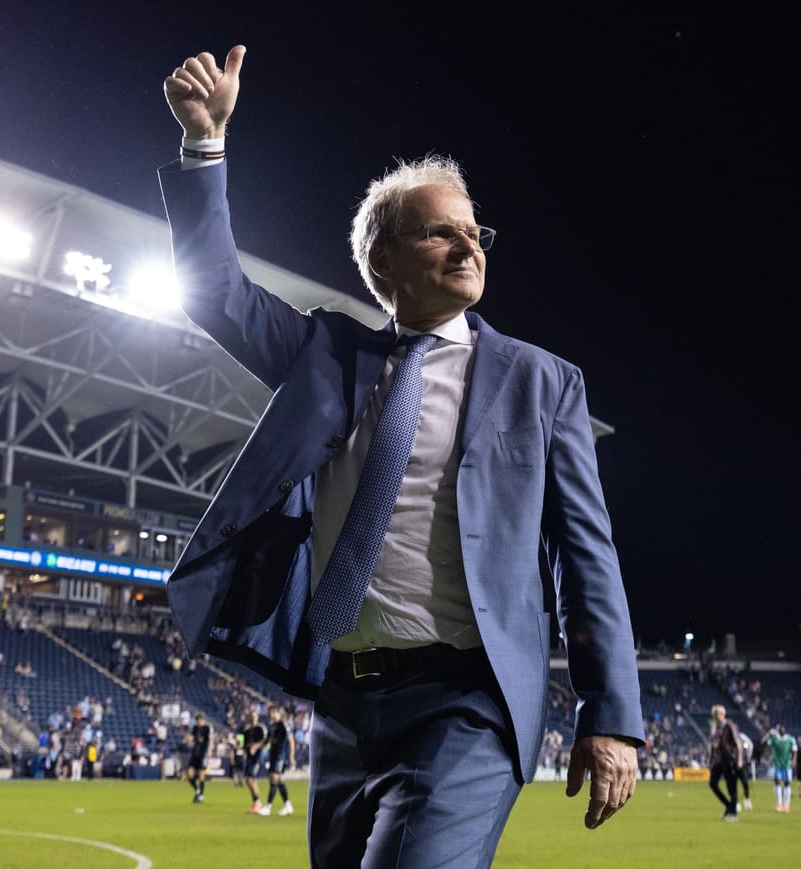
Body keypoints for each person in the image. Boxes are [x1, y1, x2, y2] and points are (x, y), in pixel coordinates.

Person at [158, 44, 644, 867]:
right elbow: (215, 292)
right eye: (438, 233)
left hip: (466, 703)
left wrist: (612, 713)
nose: (466, 245)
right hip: (342, 703)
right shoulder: (328, 355)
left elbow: (585, 557)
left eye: (473, 230)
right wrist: (206, 143)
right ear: (382, 260)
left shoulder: (543, 382)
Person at [258, 705, 297, 817]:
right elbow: (267, 741)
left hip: (281, 756)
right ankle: (288, 805)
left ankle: (268, 807)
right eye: (270, 713)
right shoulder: (271, 726)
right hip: (273, 756)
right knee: (279, 781)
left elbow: (291, 741)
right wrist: (256, 747)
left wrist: (291, 756)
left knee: (273, 779)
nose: (271, 715)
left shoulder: (284, 725)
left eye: (273, 712)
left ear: (278, 713)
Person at [708, 705, 742, 821]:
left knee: (731, 786)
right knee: (712, 784)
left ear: (721, 714)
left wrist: (740, 759)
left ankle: (733, 814)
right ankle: (728, 806)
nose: (713, 715)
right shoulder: (713, 727)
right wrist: (710, 759)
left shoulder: (730, 726)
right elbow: (712, 744)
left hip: (729, 759)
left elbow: (737, 743)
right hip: (717, 760)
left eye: (715, 713)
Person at [762, 723, 796, 813]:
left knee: (787, 784)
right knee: (777, 783)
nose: (781, 729)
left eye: (782, 728)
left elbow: (794, 751)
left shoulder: (790, 739)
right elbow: (764, 743)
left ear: (785, 729)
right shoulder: (774, 739)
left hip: (787, 764)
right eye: (779, 728)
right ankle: (779, 804)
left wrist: (793, 761)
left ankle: (786, 805)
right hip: (777, 764)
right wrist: (769, 734)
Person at [241, 709, 267, 813]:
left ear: (257, 717)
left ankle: (257, 803)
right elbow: (245, 746)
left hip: (257, 757)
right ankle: (256, 802)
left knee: (251, 778)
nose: (253, 718)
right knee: (248, 780)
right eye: (251, 716)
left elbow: (265, 741)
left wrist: (255, 746)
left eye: (255, 716)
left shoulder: (260, 729)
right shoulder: (246, 731)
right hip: (249, 758)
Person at [186, 713, 211, 803]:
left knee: (201, 775)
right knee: (189, 774)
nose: (198, 722)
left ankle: (201, 795)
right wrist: (188, 740)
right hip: (194, 753)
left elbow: (210, 740)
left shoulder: (206, 729)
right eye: (197, 720)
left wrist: (208, 752)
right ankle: (197, 790)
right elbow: (192, 738)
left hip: (202, 753)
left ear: (203, 720)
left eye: (199, 720)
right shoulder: (195, 728)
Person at [737, 729, 756, 810]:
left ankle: (747, 799)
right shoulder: (729, 737)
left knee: (745, 783)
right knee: (733, 784)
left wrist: (748, 757)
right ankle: (736, 802)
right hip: (733, 764)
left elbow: (748, 745)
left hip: (743, 764)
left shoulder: (742, 738)